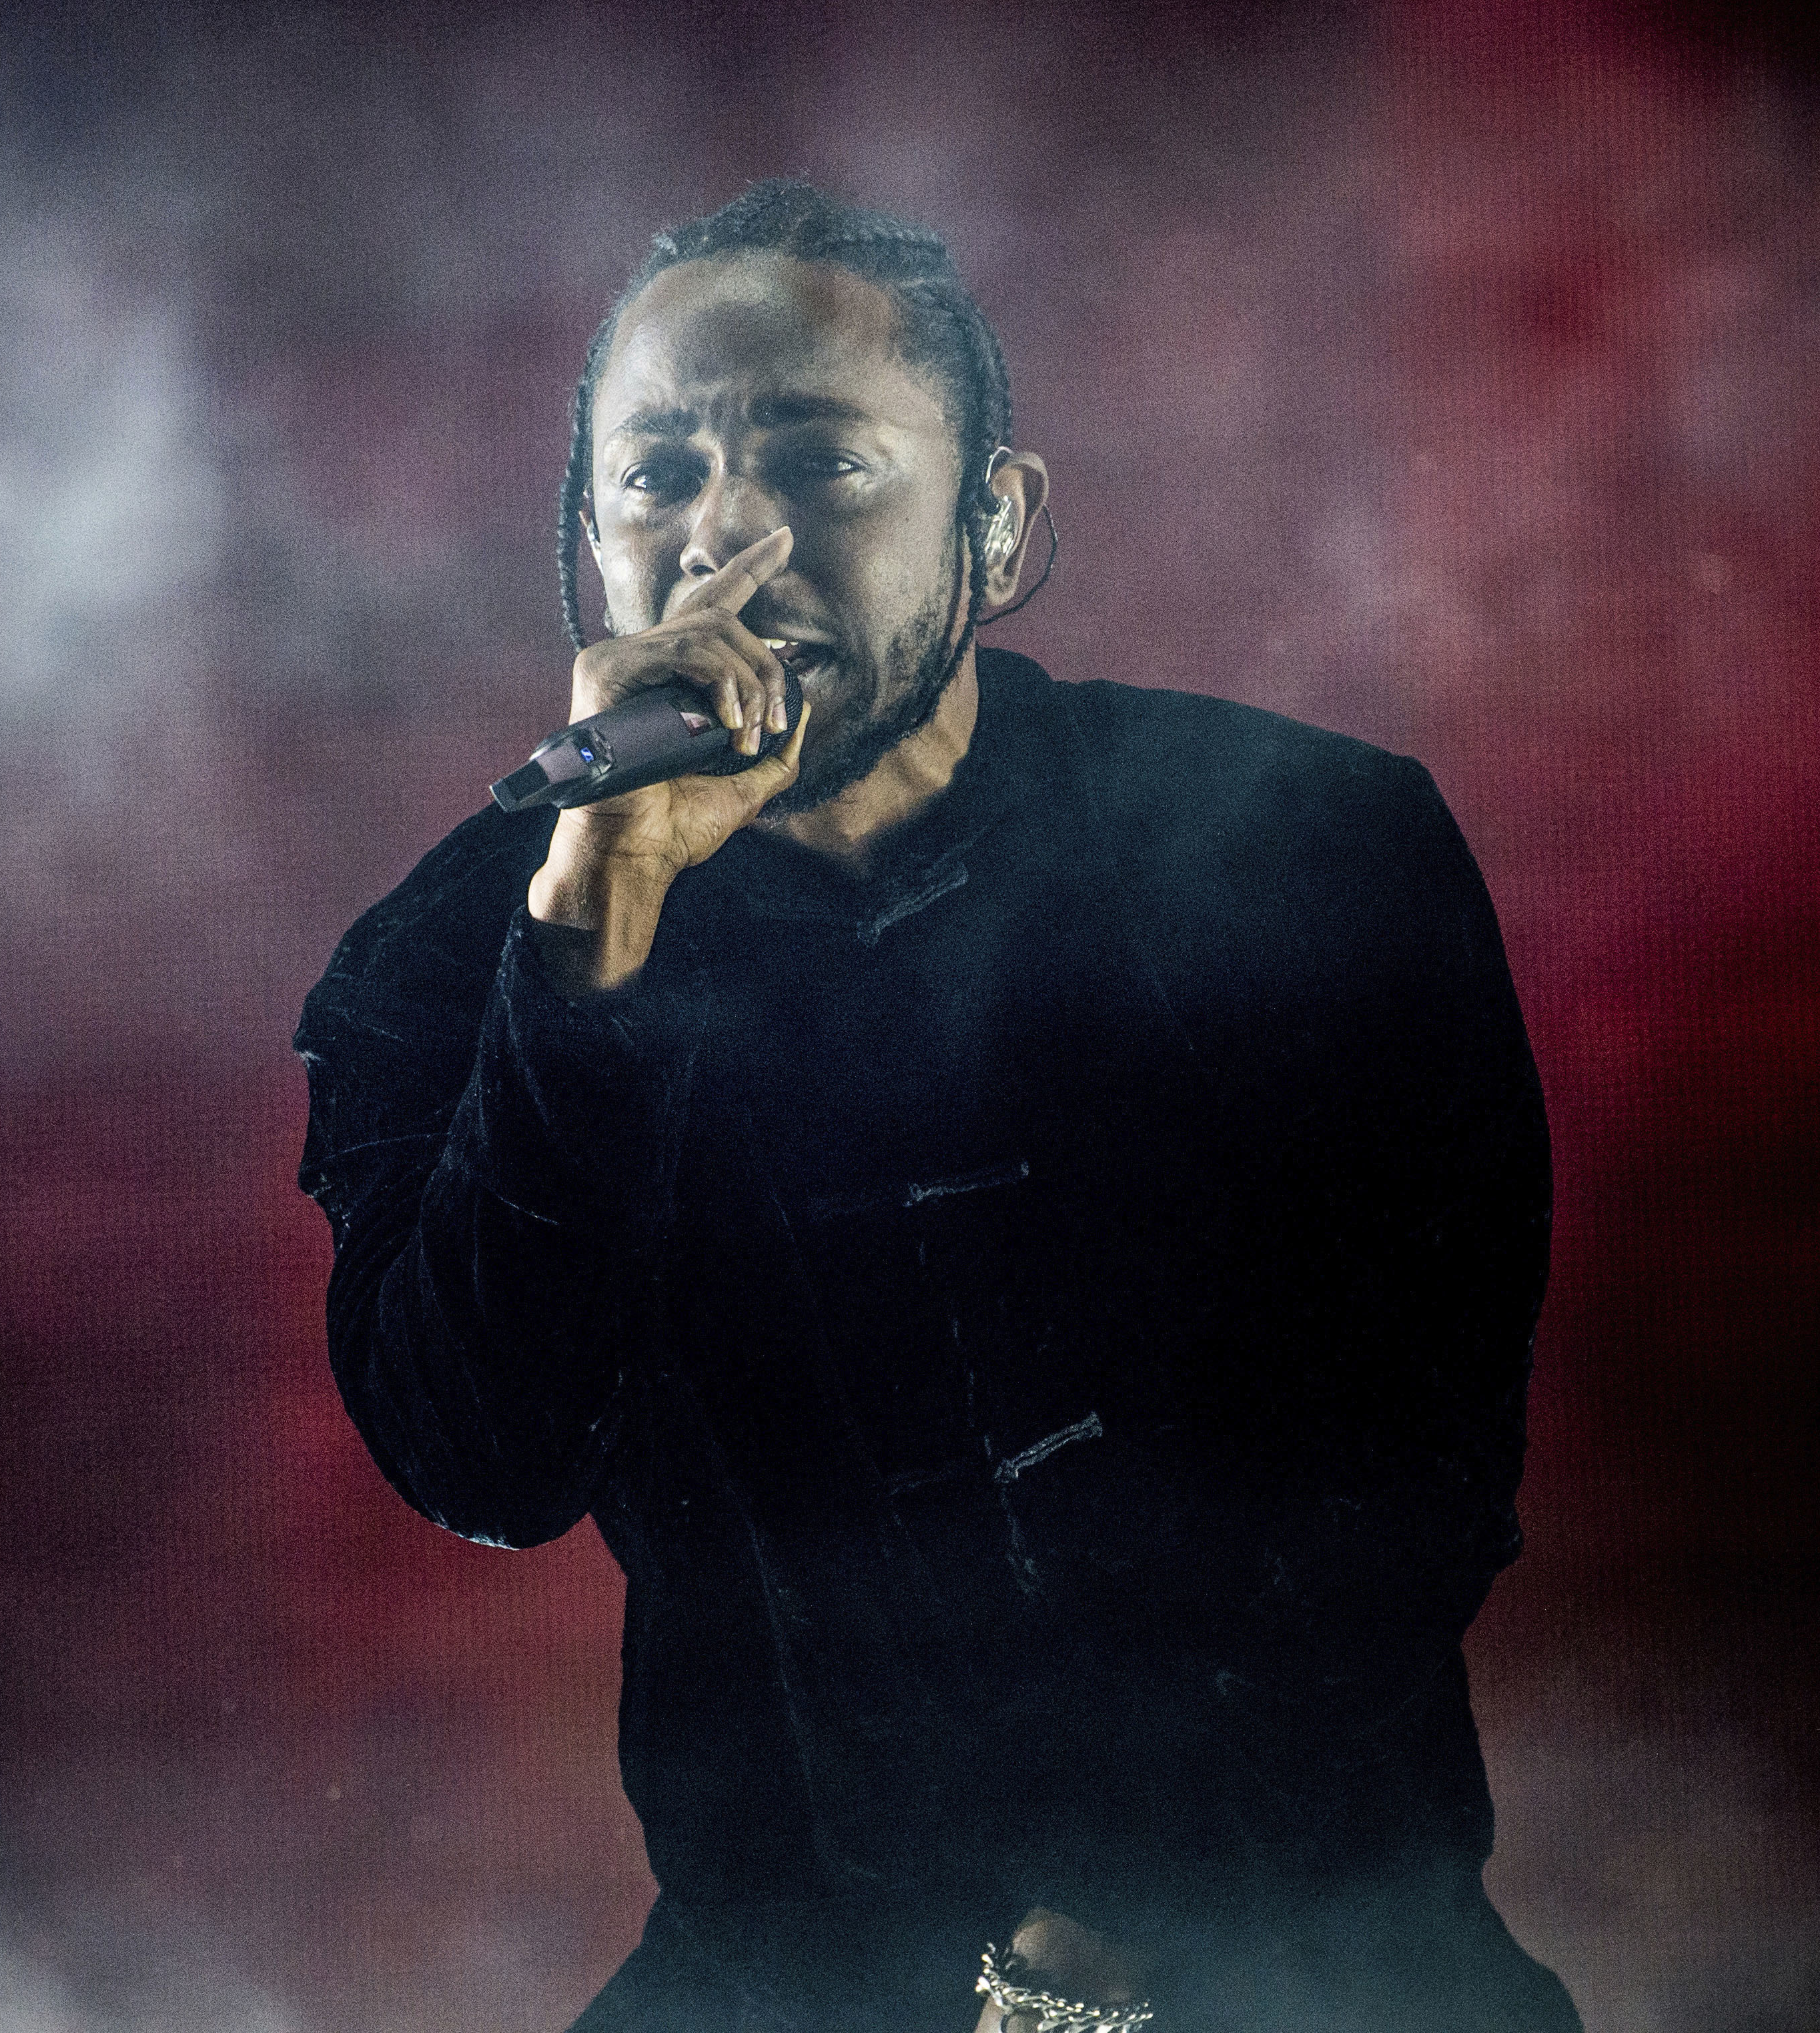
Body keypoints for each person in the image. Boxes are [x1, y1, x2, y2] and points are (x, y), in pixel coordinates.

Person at [293, 181, 1578, 2033]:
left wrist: (1109, 1936)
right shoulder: (451, 962)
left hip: (1307, 1927)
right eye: (655, 479)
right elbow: (484, 1457)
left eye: (821, 465)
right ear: (584, 542)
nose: (729, 540)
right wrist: (598, 935)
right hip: (794, 1970)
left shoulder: (1318, 851)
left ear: (1001, 527)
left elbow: (1415, 1467)